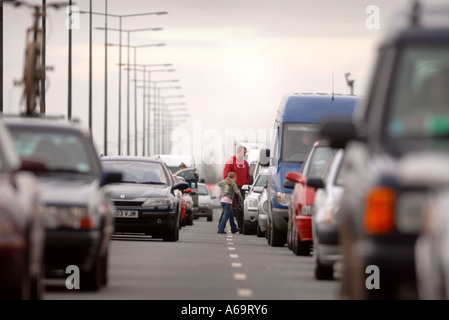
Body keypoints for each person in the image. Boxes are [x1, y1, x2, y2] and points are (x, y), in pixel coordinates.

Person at [222, 146, 251, 233]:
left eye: (245, 153)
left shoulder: (245, 163)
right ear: (239, 152)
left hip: (241, 189)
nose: (244, 154)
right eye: (243, 153)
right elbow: (225, 175)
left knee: (241, 208)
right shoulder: (230, 162)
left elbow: (248, 176)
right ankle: (221, 227)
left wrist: (245, 184)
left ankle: (241, 228)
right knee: (227, 207)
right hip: (232, 188)